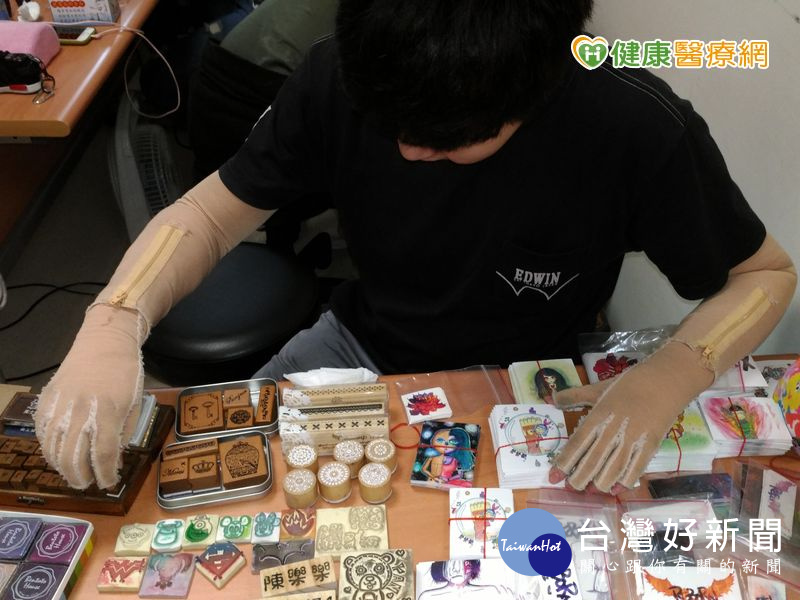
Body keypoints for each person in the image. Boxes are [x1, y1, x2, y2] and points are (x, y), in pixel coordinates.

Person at [35, 0, 796, 494]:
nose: (407, 153)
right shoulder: (342, 70)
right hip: (358, 342)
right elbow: (208, 215)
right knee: (208, 487)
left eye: (445, 141)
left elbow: (764, 274)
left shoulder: (633, 125)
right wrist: (115, 318)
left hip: (523, 383)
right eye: (390, 128)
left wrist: (672, 372)